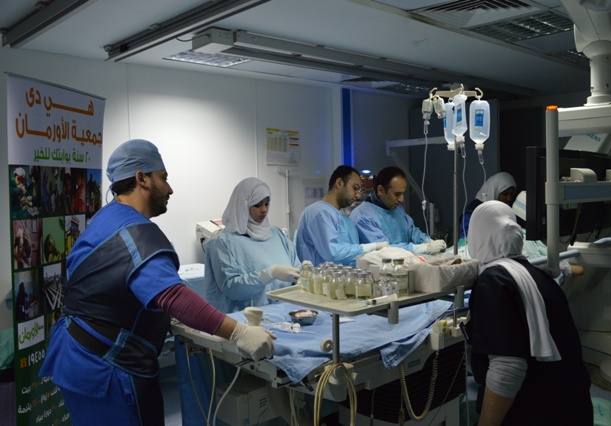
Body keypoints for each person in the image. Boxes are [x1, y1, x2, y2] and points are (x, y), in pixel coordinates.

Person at [39, 139, 277, 425]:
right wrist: (239, 333)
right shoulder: (137, 233)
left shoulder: (105, 219)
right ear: (142, 178)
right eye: (163, 177)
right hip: (106, 366)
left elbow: (105, 287)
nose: (170, 188)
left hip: (75, 354)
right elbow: (173, 296)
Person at [466, 200, 592, 425]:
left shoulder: (493, 281)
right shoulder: (540, 276)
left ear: (477, 236)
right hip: (575, 409)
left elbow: (507, 369)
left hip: (536, 412)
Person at [205, 177, 302, 313]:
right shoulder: (222, 242)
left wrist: (303, 272)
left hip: (286, 312)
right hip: (247, 318)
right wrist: (267, 274)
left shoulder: (276, 234)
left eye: (267, 204)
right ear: (242, 205)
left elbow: (294, 266)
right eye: (257, 205)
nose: (264, 210)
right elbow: (231, 288)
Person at [296, 165, 387, 267]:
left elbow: (350, 256)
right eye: (355, 188)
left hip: (345, 275)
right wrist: (371, 247)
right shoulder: (319, 212)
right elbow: (333, 253)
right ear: (339, 183)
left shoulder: (343, 217)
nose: (358, 195)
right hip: (322, 276)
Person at [350, 166, 446, 255]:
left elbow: (412, 232)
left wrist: (428, 241)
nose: (401, 199)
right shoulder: (362, 217)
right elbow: (385, 251)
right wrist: (422, 248)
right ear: (381, 190)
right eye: (397, 194)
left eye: (403, 194)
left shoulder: (396, 208)